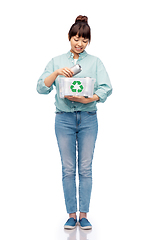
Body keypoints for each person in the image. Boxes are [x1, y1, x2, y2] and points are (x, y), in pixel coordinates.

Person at [37, 15, 112, 230]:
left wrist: (87, 98)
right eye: (76, 38)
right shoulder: (56, 61)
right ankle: (71, 215)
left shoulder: (95, 62)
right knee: (68, 169)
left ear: (88, 41)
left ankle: (84, 214)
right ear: (69, 37)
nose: (79, 44)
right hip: (64, 120)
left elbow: (106, 88)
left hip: (88, 119)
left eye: (84, 40)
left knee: (85, 168)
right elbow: (41, 88)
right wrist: (56, 73)